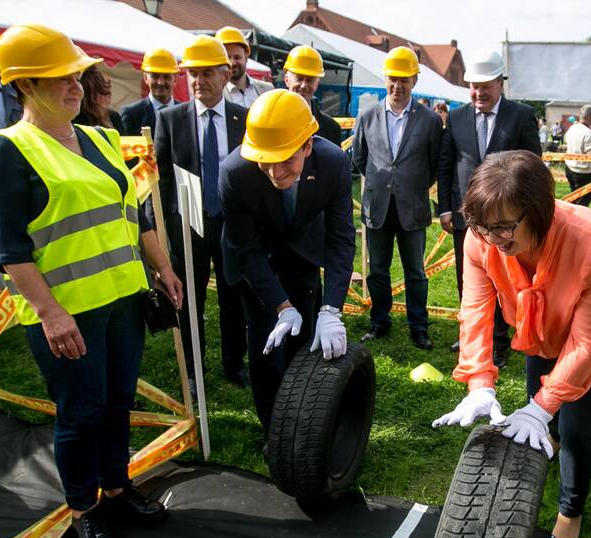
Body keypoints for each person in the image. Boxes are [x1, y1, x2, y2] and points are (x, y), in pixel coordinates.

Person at [0, 23, 184, 538]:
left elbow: (134, 214)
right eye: (60, 78)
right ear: (24, 85)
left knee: (117, 403)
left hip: (123, 301)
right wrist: (49, 313)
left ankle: (116, 489)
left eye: (77, 76)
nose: (76, 86)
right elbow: (9, 248)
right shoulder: (9, 151)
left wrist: (163, 269)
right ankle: (83, 510)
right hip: (68, 312)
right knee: (81, 412)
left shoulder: (101, 136)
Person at [433, 150, 591, 538]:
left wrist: (545, 405)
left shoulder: (590, 238)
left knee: (575, 425)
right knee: (540, 413)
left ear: (539, 213)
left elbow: (587, 344)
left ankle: (571, 509)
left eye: (504, 228)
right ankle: (539, 471)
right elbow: (475, 311)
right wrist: (479, 383)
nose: (492, 240)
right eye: (482, 227)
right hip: (538, 326)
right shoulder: (481, 238)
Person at [219, 90, 355, 431]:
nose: (275, 172)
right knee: (265, 345)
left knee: (305, 336)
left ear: (308, 146)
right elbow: (246, 250)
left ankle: (304, 421)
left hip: (304, 251)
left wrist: (332, 309)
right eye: (266, 160)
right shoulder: (234, 172)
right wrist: (280, 305)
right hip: (256, 260)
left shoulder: (333, 163)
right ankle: (274, 431)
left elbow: (341, 239)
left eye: (286, 159)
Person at [155, 34, 249, 393]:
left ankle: (233, 363)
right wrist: (164, 230)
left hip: (231, 222)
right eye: (192, 73)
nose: (198, 81)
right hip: (188, 220)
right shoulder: (171, 119)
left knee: (233, 297)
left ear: (226, 76)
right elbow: (162, 179)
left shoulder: (244, 118)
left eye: (207, 73)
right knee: (190, 299)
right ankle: (194, 369)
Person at [437, 49, 541, 362]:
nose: (479, 92)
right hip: (466, 216)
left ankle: (500, 340)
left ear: (500, 84)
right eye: (474, 86)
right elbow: (446, 164)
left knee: (506, 278)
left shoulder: (520, 116)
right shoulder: (455, 118)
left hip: (509, 219)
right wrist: (445, 207)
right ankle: (473, 337)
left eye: (485, 86)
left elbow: (534, 165)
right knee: (468, 278)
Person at [353, 46, 442, 350]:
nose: (397, 86)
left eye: (404, 79)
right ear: (385, 79)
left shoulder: (430, 120)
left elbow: (433, 165)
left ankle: (418, 326)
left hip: (412, 207)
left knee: (415, 271)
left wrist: (410, 185)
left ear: (415, 81)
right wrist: (383, 184)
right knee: (377, 269)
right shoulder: (367, 116)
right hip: (377, 206)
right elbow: (359, 158)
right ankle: (380, 321)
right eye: (392, 78)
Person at [282, 45, 341, 146]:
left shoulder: (331, 128)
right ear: (287, 80)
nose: (304, 85)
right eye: (299, 78)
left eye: (310, 80)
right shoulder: (270, 120)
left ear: (317, 84)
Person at [120, 48, 178, 136]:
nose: (161, 82)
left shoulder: (188, 114)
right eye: (155, 76)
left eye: (166, 77)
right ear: (145, 78)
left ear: (175, 79)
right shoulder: (131, 114)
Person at [217, 26, 273, 108]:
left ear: (246, 57)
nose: (232, 63)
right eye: (228, 58)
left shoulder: (267, 90)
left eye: (237, 57)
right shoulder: (216, 95)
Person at [562, 104, 591, 208]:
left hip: (569, 167)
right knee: (582, 201)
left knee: (574, 196)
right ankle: (573, 220)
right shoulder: (587, 132)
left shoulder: (572, 128)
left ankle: (569, 217)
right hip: (582, 170)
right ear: (590, 116)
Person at [74, 66, 124, 132]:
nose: (107, 99)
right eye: (101, 93)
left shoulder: (113, 116)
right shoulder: (77, 120)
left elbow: (123, 140)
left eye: (108, 93)